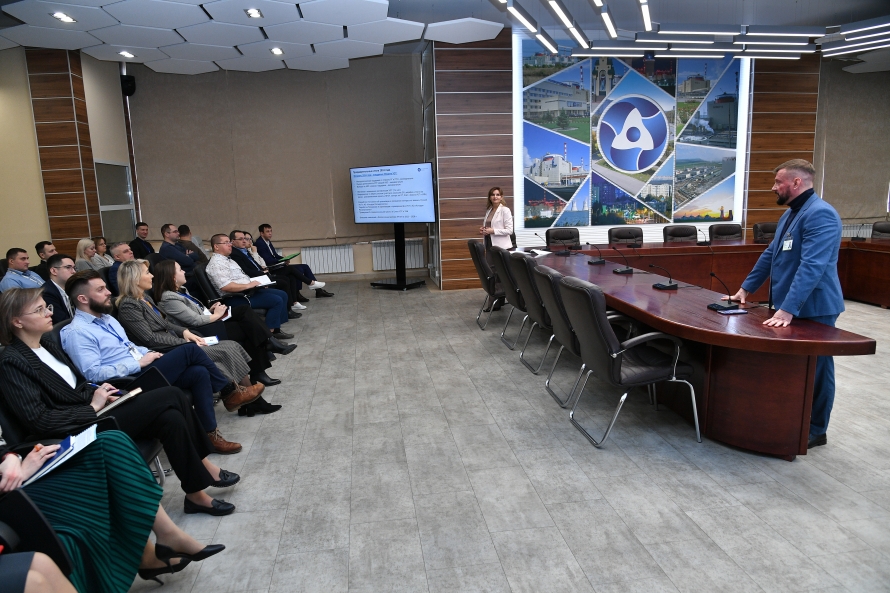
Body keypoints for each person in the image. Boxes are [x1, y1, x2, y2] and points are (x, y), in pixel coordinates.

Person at [0, 287, 240, 515]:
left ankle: (196, 496)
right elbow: (39, 419)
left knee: (171, 418)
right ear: (17, 321)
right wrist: (92, 407)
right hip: (75, 429)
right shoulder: (12, 362)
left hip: (94, 410)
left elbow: (78, 385)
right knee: (172, 394)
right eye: (39, 310)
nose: (49, 313)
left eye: (47, 307)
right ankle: (206, 467)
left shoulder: (47, 345)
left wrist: (101, 391)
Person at [0, 426, 227, 591]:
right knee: (168, 411)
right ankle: (148, 556)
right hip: (10, 496)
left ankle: (168, 534)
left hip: (17, 474)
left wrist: (10, 457)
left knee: (111, 442)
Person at [60, 271, 250, 454]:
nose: (109, 292)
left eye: (105, 287)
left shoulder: (107, 319)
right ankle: (229, 391)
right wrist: (139, 364)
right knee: (190, 350)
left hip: (143, 369)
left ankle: (209, 436)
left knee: (198, 372)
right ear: (83, 298)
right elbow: (92, 374)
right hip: (126, 385)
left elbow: (130, 346)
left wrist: (149, 353)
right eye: (100, 289)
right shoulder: (76, 332)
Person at [725, 159, 844, 449]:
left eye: (778, 182)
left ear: (796, 183)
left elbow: (812, 266)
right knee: (792, 367)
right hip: (790, 306)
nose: (773, 187)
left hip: (815, 307)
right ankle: (791, 419)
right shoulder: (791, 213)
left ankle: (816, 429)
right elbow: (770, 255)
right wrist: (745, 289)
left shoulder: (821, 214)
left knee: (817, 369)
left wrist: (788, 309)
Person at [114, 260, 266, 401]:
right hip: (164, 349)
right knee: (223, 351)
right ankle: (240, 397)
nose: (152, 276)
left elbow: (165, 323)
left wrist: (184, 332)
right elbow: (150, 338)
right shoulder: (129, 305)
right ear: (135, 279)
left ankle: (244, 396)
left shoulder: (145, 298)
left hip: (176, 342)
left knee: (232, 345)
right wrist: (183, 343)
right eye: (147, 273)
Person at [153, 259, 295, 390]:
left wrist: (210, 310)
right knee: (248, 328)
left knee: (245, 316)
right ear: (172, 276)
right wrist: (216, 315)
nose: (184, 271)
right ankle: (267, 346)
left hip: (208, 323)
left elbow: (194, 313)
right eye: (180, 270)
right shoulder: (169, 298)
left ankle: (266, 351)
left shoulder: (181, 290)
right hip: (202, 331)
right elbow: (194, 321)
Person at [205, 234, 294, 338]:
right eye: (226, 243)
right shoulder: (216, 264)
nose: (230, 245)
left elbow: (241, 277)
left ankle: (275, 328)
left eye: (230, 242)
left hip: (248, 290)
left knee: (282, 294)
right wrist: (249, 285)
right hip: (237, 297)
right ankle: (269, 335)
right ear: (216, 246)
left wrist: (259, 283)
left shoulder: (228, 260)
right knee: (276, 300)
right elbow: (226, 286)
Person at [228, 230, 305, 314]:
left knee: (289, 277)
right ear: (233, 241)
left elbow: (256, 264)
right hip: (255, 278)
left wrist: (263, 270)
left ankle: (292, 304)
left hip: (262, 273)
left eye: (245, 239)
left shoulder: (244, 250)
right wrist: (262, 273)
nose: (244, 241)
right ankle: (288, 310)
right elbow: (246, 270)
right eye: (241, 239)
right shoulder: (235, 253)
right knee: (284, 281)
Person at [256, 223, 333, 299]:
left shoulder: (267, 241)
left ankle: (318, 290)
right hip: (272, 269)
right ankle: (298, 293)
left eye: (271, 231)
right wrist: (281, 261)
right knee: (298, 270)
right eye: (267, 231)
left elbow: (275, 255)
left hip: (277, 265)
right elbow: (268, 260)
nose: (270, 233)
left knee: (305, 266)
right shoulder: (260, 243)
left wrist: (285, 259)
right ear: (261, 233)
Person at [480, 187, 512, 311]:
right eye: (493, 195)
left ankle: (494, 304)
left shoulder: (505, 210)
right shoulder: (489, 210)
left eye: (498, 194)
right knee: (492, 273)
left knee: (498, 274)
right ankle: (498, 302)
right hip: (489, 245)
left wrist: (493, 231)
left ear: (501, 197)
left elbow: (509, 230)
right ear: (489, 197)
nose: (495, 197)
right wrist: (484, 230)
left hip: (501, 248)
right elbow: (489, 226)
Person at [40, 253, 76, 324]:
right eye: (68, 267)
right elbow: (61, 321)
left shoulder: (73, 286)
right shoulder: (47, 293)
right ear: (54, 271)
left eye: (74, 268)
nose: (74, 271)